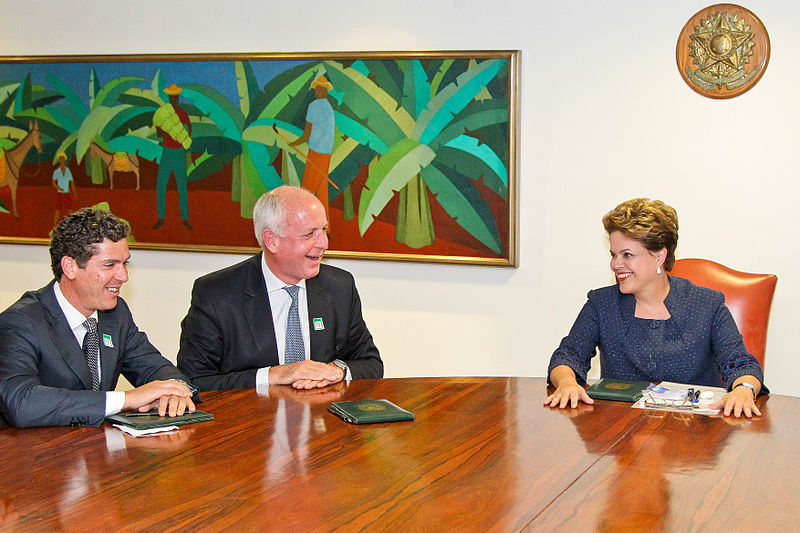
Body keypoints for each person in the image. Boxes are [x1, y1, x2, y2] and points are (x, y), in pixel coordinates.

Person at [544, 198, 767, 418]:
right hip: (620, 434)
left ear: (660, 256)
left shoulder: (706, 305)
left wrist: (743, 390)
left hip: (695, 436)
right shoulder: (601, 304)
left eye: (627, 255)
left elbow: (742, 363)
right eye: (613, 255)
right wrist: (566, 383)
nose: (615, 264)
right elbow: (567, 357)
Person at [0, 208, 196, 427]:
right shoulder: (20, 322)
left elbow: (154, 367)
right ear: (70, 267)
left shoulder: (115, 313)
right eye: (109, 265)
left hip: (96, 450)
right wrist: (126, 399)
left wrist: (173, 390)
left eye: (125, 263)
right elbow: (21, 403)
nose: (123, 276)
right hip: (36, 454)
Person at [177, 185, 382, 391]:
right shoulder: (216, 294)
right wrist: (273, 375)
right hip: (251, 420)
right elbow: (194, 381)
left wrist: (336, 371)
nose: (324, 243)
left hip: (323, 420)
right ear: (271, 241)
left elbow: (371, 363)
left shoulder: (339, 287)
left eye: (324, 231)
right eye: (310, 234)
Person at [290, 75, 336, 221]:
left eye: (318, 89)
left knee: (306, 190)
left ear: (322, 91)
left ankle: (302, 223)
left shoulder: (314, 106)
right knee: (322, 191)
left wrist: (293, 143)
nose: (316, 92)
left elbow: (306, 134)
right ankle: (325, 228)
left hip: (316, 153)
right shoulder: (329, 108)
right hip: (326, 154)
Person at [152, 83, 192, 231]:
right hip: (167, 152)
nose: (174, 99)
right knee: (161, 185)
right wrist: (168, 131)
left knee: (182, 186)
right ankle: (161, 217)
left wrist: (182, 135)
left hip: (179, 152)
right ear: (169, 98)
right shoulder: (163, 114)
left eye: (176, 97)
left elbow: (189, 128)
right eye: (171, 97)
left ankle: (185, 218)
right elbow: (158, 133)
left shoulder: (181, 113)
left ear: (178, 98)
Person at [51, 151, 76, 227]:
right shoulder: (57, 172)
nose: (62, 160)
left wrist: (74, 193)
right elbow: (53, 182)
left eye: (63, 158)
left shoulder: (68, 171)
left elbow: (71, 182)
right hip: (60, 193)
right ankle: (55, 225)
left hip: (67, 193)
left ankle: (71, 224)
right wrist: (58, 188)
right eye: (60, 158)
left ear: (65, 160)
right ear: (59, 160)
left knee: (69, 209)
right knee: (58, 209)